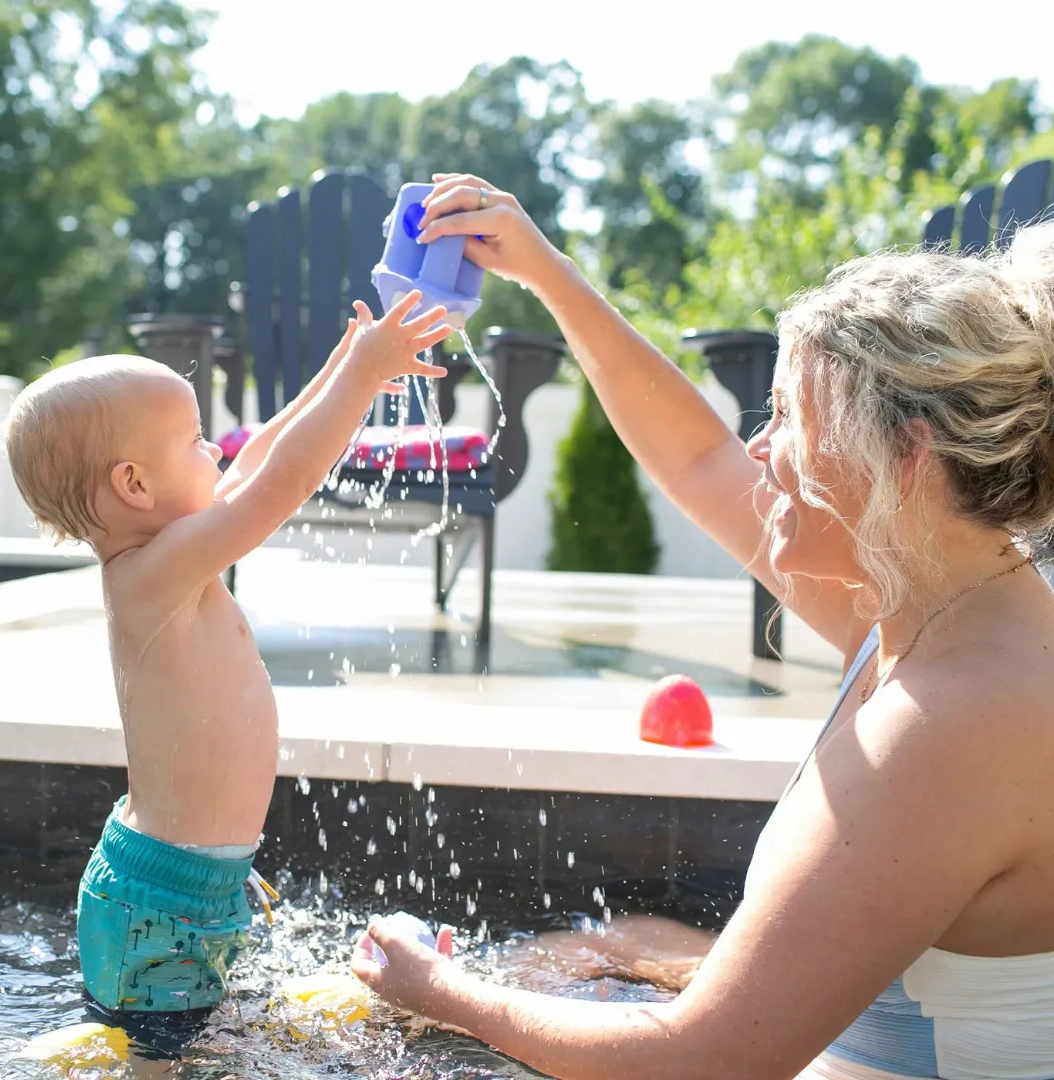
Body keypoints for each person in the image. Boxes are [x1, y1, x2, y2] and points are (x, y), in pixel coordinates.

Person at [351, 175, 1054, 1079]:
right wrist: (550, 274)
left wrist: (442, 992)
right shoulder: (935, 607)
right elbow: (696, 458)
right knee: (594, 945)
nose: (759, 446)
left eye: (788, 415)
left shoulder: (954, 717)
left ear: (905, 455)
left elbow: (707, 1061)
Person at [0, 294, 449, 1032]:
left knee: (193, 1042)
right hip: (162, 902)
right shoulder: (151, 573)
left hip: (189, 882)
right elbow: (282, 483)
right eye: (196, 441)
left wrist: (340, 367)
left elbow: (263, 453)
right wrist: (363, 379)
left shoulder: (172, 551)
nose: (216, 453)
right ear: (135, 484)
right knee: (161, 1059)